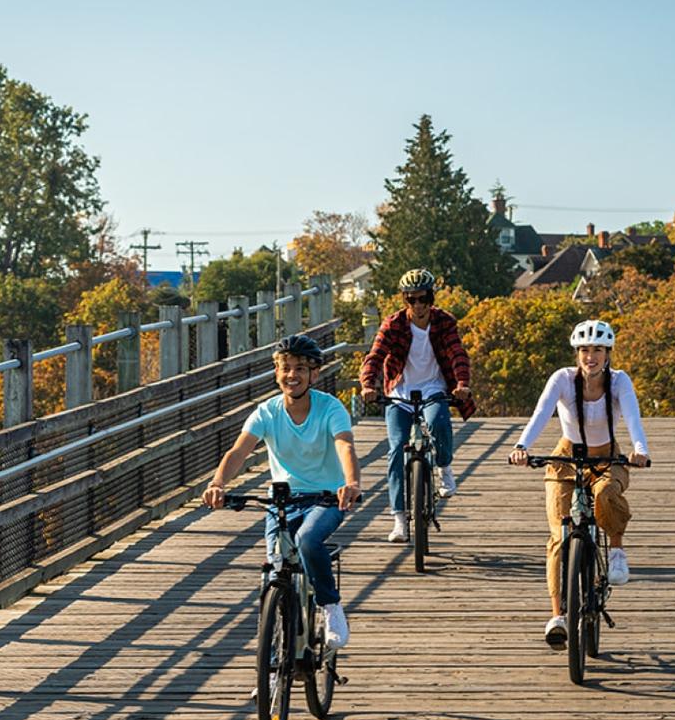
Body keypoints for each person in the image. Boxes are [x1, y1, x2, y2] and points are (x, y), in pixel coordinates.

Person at [204, 334, 363, 648]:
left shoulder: (330, 408)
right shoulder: (267, 411)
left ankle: (331, 606)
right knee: (276, 570)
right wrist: (217, 483)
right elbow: (238, 452)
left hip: (326, 497)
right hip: (283, 500)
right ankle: (275, 663)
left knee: (308, 540)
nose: (292, 375)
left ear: (314, 374)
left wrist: (351, 482)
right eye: (285, 368)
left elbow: (344, 444)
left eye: (300, 368)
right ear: (276, 373)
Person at [505, 319, 650, 650]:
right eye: (585, 350)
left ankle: (615, 550)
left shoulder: (619, 382)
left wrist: (640, 450)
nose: (591, 357)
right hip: (566, 458)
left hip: (608, 458)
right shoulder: (562, 380)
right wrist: (522, 447)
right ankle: (558, 615)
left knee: (605, 493)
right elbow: (541, 413)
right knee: (560, 534)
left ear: (608, 353)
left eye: (598, 350)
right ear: (577, 354)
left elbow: (632, 417)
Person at [360, 269, 476, 543]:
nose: (418, 305)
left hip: (433, 388)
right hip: (399, 392)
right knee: (397, 449)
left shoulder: (444, 322)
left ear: (431, 298)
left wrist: (461, 384)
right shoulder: (393, 325)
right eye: (411, 300)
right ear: (405, 301)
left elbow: (457, 353)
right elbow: (375, 357)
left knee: (438, 422)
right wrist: (367, 385)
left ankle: (444, 468)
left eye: (423, 299)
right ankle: (399, 519)